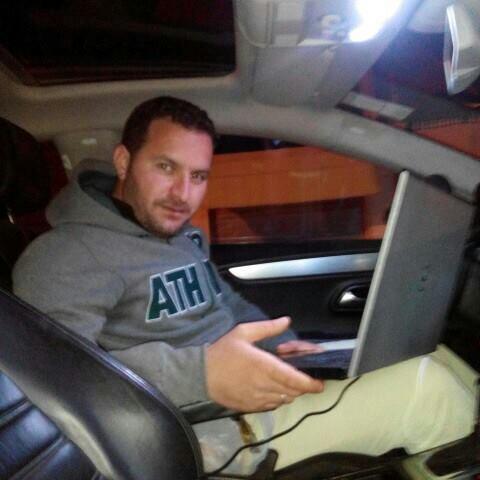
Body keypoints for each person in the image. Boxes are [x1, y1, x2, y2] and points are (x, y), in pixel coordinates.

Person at [13, 96, 476, 476]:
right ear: (123, 161)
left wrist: (280, 345)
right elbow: (60, 380)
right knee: (433, 392)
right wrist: (204, 374)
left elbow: (229, 304)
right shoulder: (62, 256)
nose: (183, 194)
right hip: (204, 434)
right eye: (166, 167)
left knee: (437, 357)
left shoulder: (175, 234)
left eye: (198, 176)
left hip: (247, 395)